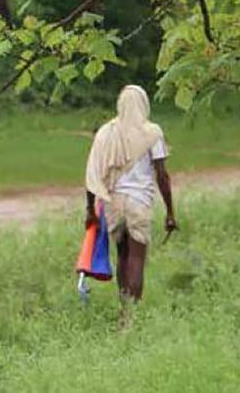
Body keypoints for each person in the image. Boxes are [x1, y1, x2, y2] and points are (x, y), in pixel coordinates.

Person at [84, 85, 176, 325]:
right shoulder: (152, 132)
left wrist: (89, 210)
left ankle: (123, 313)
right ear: (144, 104)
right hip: (139, 202)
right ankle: (130, 317)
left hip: (113, 202)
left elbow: (93, 173)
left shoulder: (107, 132)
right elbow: (162, 175)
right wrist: (170, 212)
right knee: (136, 259)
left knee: (123, 257)